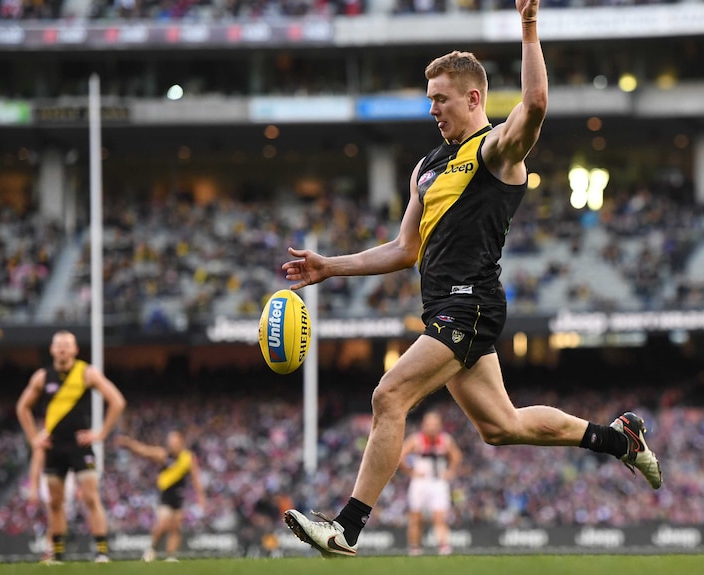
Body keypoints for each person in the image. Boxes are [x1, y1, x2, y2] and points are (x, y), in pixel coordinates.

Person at [281, 0, 662, 557]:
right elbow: (405, 248)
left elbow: (534, 105)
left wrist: (528, 27)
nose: (432, 108)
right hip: (443, 307)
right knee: (501, 426)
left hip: (472, 303)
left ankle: (347, 527)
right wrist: (328, 267)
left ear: (474, 97)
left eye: (441, 98)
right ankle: (618, 437)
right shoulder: (427, 166)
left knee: (388, 395)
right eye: (429, 98)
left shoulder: (496, 151)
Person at [16, 330, 127, 563]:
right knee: (55, 502)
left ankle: (102, 551)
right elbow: (22, 407)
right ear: (52, 349)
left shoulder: (86, 373)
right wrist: (34, 437)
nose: (63, 349)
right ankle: (56, 552)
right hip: (54, 447)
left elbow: (117, 401)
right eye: (59, 345)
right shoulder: (42, 377)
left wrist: (101, 434)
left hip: (80, 446)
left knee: (90, 497)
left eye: (67, 345)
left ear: (76, 349)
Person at [116, 431, 207, 562]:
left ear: (181, 442)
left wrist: (201, 497)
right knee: (163, 524)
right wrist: (128, 443)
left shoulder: (188, 457)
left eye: (174, 441)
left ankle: (171, 556)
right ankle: (152, 549)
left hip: (179, 497)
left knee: (176, 527)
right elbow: (144, 450)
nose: (171, 444)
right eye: (170, 441)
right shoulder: (164, 455)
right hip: (165, 496)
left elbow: (195, 478)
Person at [398, 411, 462, 556]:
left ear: (440, 426)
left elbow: (456, 455)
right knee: (416, 517)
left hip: (438, 482)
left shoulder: (445, 439)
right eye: (429, 424)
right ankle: (415, 548)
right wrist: (410, 471)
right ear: (423, 425)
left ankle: (443, 546)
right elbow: (401, 455)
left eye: (435, 424)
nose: (432, 427)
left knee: (440, 517)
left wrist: (450, 471)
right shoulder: (416, 439)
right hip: (420, 483)